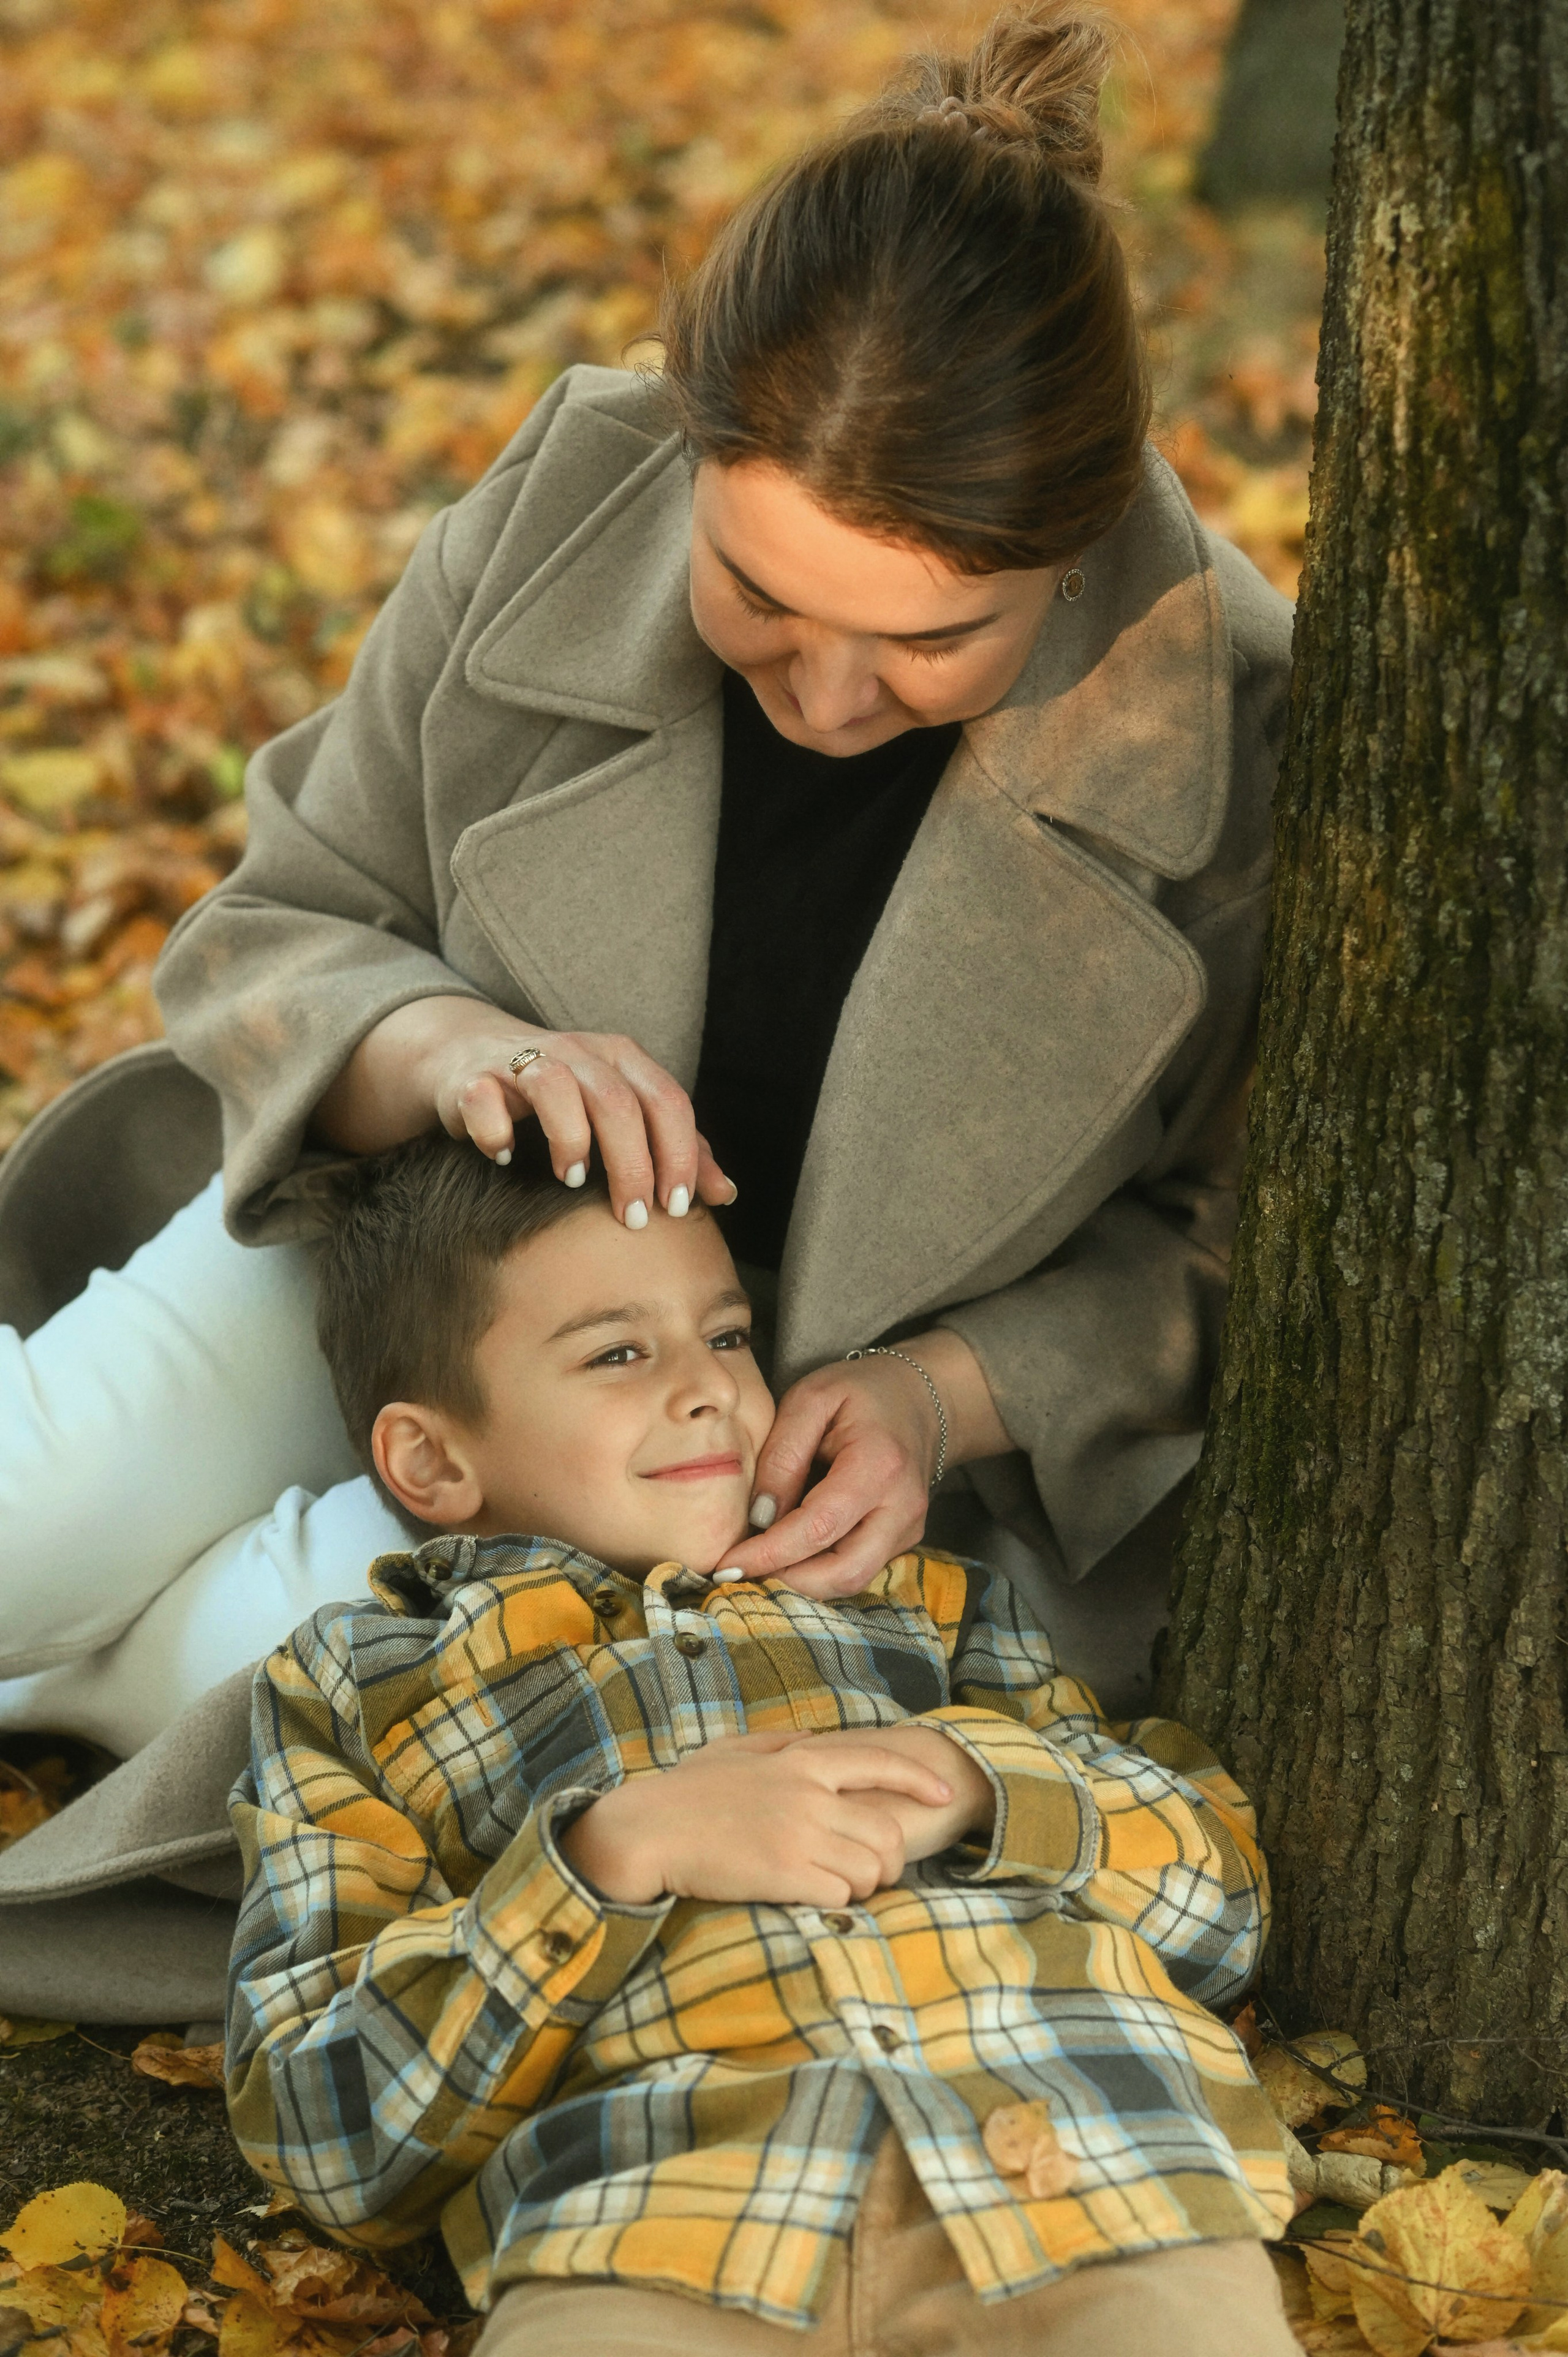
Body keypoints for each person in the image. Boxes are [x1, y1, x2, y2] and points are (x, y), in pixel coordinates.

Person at [0, 6, 1291, 1758]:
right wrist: (447, 1047)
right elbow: (286, 916)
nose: (831, 698)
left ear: (1071, 560)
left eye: (929, 640)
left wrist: (937, 1394)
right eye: (761, 595)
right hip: (388, 1264)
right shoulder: (572, 490)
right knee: (30, 1530)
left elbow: (1239, 1241)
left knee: (290, 1681)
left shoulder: (1232, 725)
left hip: (753, 1489)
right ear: (689, 450)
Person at [228, 1131, 1298, 2357]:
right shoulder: (357, 1683)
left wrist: (976, 1785)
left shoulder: (922, 1600)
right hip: (657, 2228)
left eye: (727, 1334)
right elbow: (322, 2132)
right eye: (618, 1351)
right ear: (433, 1456)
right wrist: (602, 1855)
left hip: (1092, 2179)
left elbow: (1220, 1906)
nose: (708, 1386)